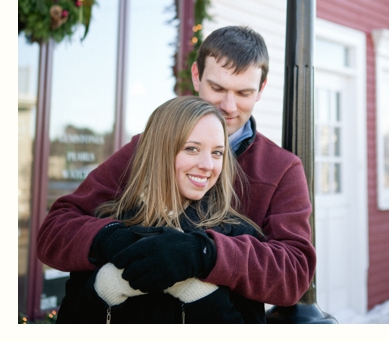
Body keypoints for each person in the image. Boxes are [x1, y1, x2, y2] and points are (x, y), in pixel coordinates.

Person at [37, 26, 315, 309]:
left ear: (261, 89)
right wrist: (112, 239)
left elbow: (294, 274)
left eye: (244, 92)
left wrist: (204, 253)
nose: (228, 106)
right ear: (196, 76)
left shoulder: (281, 168)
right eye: (217, 88)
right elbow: (55, 231)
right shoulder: (149, 147)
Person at [56, 96, 265, 323]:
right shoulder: (106, 227)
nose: (208, 165)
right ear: (160, 150)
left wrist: (197, 291)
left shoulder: (237, 236)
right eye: (192, 149)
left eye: (217, 152)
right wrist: (105, 287)